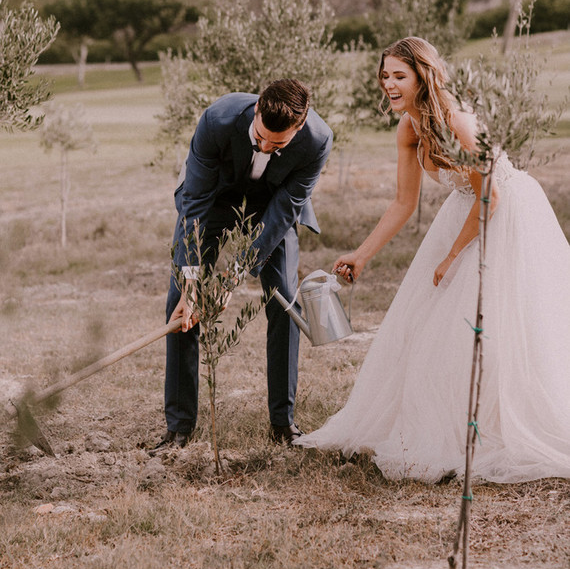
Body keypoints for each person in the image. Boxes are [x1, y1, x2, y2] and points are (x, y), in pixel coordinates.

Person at [296, 37, 570, 483]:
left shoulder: (458, 123)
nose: (388, 83)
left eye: (398, 75)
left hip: (504, 215)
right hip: (464, 212)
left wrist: (452, 256)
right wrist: (361, 255)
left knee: (489, 321)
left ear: (423, 77)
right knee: (428, 324)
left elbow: (491, 195)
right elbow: (403, 203)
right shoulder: (408, 129)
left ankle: (492, 426)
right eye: (384, 75)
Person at [150, 78, 333, 453]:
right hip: (214, 201)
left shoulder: (317, 139)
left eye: (277, 145)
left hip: (272, 209)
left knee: (284, 299)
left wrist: (234, 275)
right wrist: (192, 284)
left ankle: (283, 424)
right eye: (260, 138)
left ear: (300, 127)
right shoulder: (217, 120)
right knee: (180, 303)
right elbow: (195, 204)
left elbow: (285, 210)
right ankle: (180, 427)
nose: (266, 147)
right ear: (256, 109)